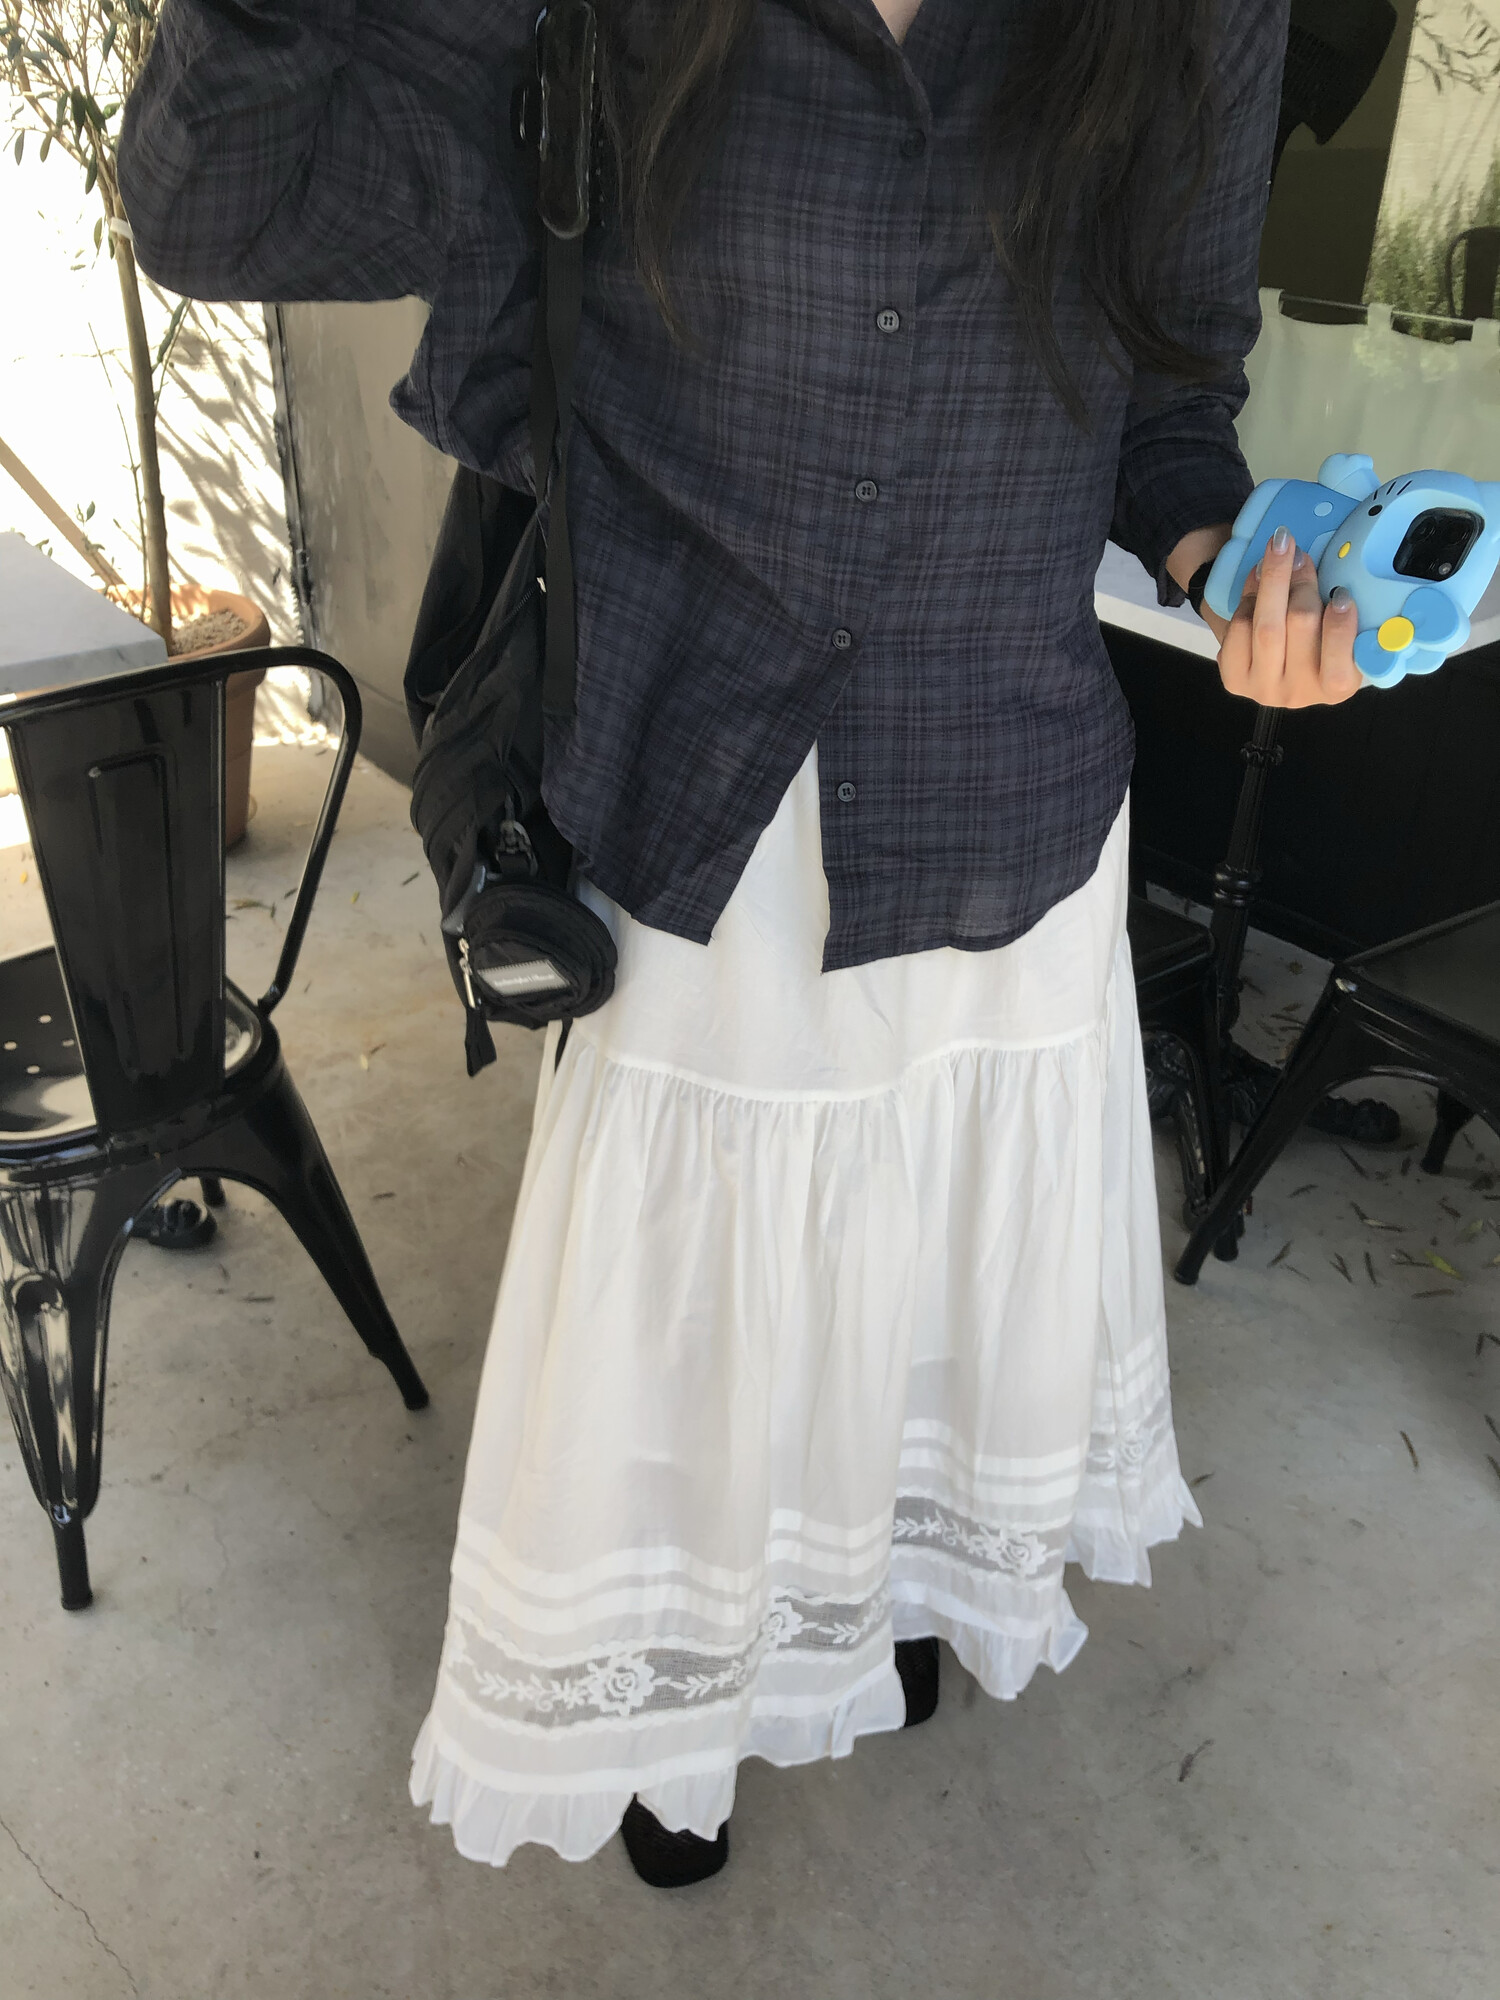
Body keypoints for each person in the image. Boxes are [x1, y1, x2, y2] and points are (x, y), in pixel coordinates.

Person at [120, 0, 1355, 1889]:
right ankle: (668, 1719)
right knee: (690, 1322)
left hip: (1000, 787)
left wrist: (1234, 560)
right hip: (708, 788)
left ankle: (878, 1594)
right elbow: (221, 207)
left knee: (924, 1275)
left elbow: (1173, 403)